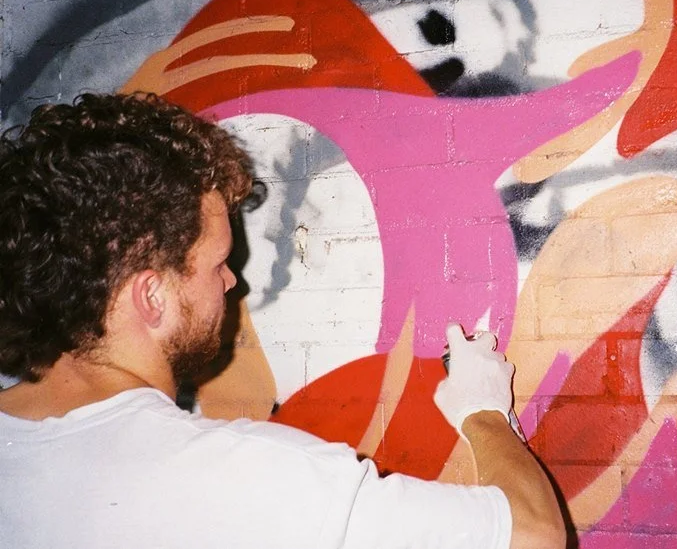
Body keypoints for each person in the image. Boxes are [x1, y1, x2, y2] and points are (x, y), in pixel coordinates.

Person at [0, 93, 565, 549]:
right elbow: (533, 535)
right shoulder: (242, 478)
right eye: (217, 262)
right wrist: (484, 412)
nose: (231, 283)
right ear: (151, 295)